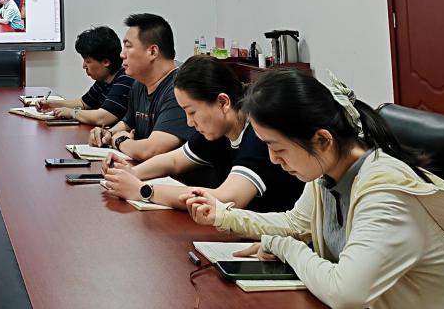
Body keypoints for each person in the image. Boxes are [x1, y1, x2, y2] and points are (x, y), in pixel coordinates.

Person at [184, 69, 444, 309]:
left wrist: (283, 246)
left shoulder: (386, 194)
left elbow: (345, 293)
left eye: (278, 148)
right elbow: (295, 223)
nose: (273, 160)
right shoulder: (327, 171)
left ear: (322, 140)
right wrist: (223, 215)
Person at [101, 55, 302, 211]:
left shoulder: (258, 134)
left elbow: (226, 198)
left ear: (223, 102)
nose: (189, 122)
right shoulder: (217, 130)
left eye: (192, 112)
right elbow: (174, 161)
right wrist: (130, 174)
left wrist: (142, 191)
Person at [87, 13, 191, 161]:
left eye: (128, 46)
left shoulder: (180, 88)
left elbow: (151, 150)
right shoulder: (139, 84)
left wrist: (119, 141)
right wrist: (107, 134)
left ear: (153, 52)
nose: (122, 54)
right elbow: (128, 123)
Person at [36, 26, 134, 126]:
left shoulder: (126, 79)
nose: (84, 66)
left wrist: (72, 113)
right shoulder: (104, 79)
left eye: (88, 61)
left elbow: (103, 118)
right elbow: (83, 103)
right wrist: (52, 104)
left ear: (106, 62)